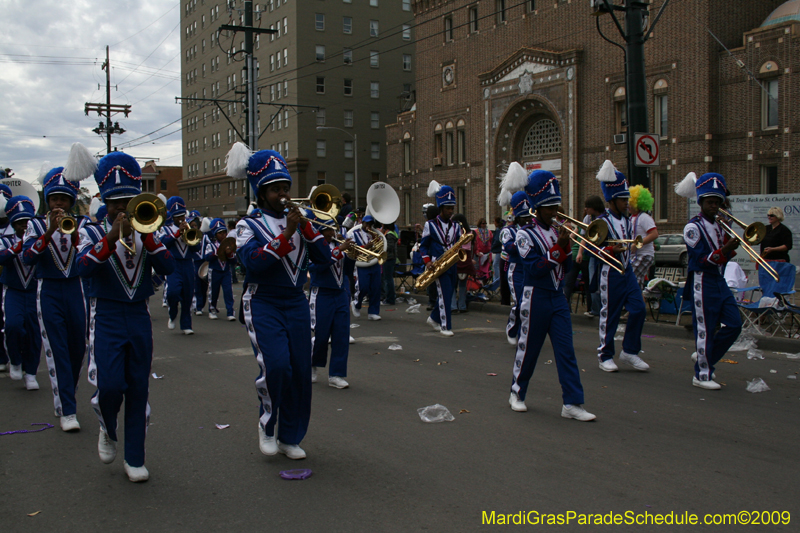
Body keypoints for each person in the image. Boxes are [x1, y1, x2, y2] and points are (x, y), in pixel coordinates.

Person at [71, 146, 176, 482]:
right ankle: (107, 425)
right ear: (105, 201)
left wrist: (148, 237)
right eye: (115, 202)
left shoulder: (149, 227)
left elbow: (169, 266)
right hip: (106, 314)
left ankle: (135, 457)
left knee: (138, 387)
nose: (121, 208)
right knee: (110, 385)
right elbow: (81, 267)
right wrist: (111, 238)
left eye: (127, 201)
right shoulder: (90, 231)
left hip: (139, 315)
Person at [226, 143, 331, 460]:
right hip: (263, 302)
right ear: (261, 193)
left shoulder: (301, 220)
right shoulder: (247, 225)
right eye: (275, 189)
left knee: (300, 371)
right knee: (277, 367)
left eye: (286, 187)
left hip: (296, 301)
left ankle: (290, 436)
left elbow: (324, 259)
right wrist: (287, 234)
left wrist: (308, 229)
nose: (283, 194)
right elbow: (253, 263)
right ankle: (267, 426)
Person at [508, 169, 595, 421]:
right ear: (536, 207)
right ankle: (517, 392)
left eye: (556, 206)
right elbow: (535, 269)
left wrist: (567, 246)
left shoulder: (557, 231)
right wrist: (559, 247)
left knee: (566, 351)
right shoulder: (525, 234)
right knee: (529, 350)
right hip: (535, 296)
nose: (554, 212)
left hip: (557, 296)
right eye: (548, 207)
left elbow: (565, 267)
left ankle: (572, 403)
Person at [22, 163, 90, 431]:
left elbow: (87, 255)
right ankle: (68, 409)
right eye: (54, 199)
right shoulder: (34, 224)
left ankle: (66, 395)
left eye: (63, 199)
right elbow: (28, 257)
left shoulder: (83, 224)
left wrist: (71, 234)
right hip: (49, 290)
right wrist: (49, 231)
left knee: (78, 348)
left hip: (76, 289)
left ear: (71, 201)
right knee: (58, 349)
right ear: (47, 201)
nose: (58, 203)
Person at [675, 172, 742, 390]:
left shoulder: (720, 224)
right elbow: (701, 260)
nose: (714, 206)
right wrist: (725, 249)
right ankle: (702, 375)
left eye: (717, 202)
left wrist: (729, 246)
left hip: (719, 280)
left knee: (735, 324)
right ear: (701, 202)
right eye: (710, 202)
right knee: (705, 329)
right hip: (702, 281)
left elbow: (724, 256)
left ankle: (706, 356)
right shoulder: (693, 227)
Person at [593, 161, 650, 373]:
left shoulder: (627, 220)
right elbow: (593, 250)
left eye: (627, 199)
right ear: (612, 200)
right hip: (610, 274)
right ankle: (605, 355)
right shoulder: (601, 221)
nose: (627, 203)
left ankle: (630, 351)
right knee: (610, 315)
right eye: (623, 199)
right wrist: (610, 251)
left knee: (639, 309)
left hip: (628, 272)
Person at [0, 196, 41, 391]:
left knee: (34, 333)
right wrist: (19, 246)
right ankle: (15, 360)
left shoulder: (38, 239)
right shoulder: (5, 240)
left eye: (27, 222)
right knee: (13, 325)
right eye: (20, 222)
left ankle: (31, 373)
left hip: (34, 292)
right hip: (13, 292)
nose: (24, 226)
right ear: (13, 223)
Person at [308, 216, 353, 389]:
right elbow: (315, 267)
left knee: (341, 335)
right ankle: (312, 364)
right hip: (322, 293)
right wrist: (339, 251)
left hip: (341, 293)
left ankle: (336, 374)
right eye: (327, 230)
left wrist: (354, 254)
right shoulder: (313, 247)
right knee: (321, 336)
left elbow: (347, 269)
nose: (331, 233)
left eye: (332, 229)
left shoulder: (338, 244)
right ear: (319, 232)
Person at [420, 180, 462, 337]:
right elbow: (423, 246)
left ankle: (434, 318)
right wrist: (427, 261)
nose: (451, 211)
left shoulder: (456, 226)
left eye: (452, 208)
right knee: (444, 295)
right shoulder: (430, 225)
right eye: (448, 208)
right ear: (440, 208)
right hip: (437, 264)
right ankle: (445, 326)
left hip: (452, 264)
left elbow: (458, 244)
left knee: (449, 293)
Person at [158, 197, 201, 334]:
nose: (181, 219)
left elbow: (197, 248)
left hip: (188, 264)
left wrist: (191, 237)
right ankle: (172, 313)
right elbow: (163, 243)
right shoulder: (166, 229)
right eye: (177, 217)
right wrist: (177, 234)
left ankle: (186, 325)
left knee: (188, 295)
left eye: (182, 216)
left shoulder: (190, 228)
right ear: (172, 216)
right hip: (173, 264)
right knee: (173, 292)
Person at [563, 196, 604, 317]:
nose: (585, 209)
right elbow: (583, 237)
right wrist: (580, 252)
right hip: (588, 254)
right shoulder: (587, 218)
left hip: (599, 253)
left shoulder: (604, 218)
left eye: (587, 207)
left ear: (594, 207)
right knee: (589, 283)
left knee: (594, 283)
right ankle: (593, 309)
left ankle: (597, 309)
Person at [348, 215, 383, 320]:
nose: (368, 226)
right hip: (361, 263)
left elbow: (381, 246)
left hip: (374, 262)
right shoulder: (354, 233)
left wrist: (376, 240)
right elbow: (352, 249)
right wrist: (365, 247)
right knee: (363, 286)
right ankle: (356, 304)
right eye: (367, 223)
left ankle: (373, 312)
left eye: (370, 224)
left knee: (376, 287)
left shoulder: (375, 234)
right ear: (362, 222)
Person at [203, 218, 236, 320]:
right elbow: (207, 257)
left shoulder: (230, 246)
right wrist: (217, 252)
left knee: (228, 292)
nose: (223, 235)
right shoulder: (211, 245)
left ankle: (230, 312)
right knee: (213, 292)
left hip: (226, 272)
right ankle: (212, 309)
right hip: (214, 271)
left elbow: (234, 261)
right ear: (215, 234)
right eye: (220, 233)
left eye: (224, 233)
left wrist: (229, 254)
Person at [627, 185, 659, 289]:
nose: (628, 206)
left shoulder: (644, 218)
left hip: (644, 255)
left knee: (630, 277)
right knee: (636, 283)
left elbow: (654, 234)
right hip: (635, 255)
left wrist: (637, 244)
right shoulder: (630, 218)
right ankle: (639, 298)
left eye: (630, 203)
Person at [0, 183, 14, 374]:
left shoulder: (17, 224)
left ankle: (15, 357)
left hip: (11, 278)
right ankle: (2, 357)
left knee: (10, 322)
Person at [451, 213, 475, 314]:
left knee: (452, 285)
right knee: (463, 285)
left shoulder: (454, 231)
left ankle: (453, 306)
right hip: (466, 259)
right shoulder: (470, 232)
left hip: (456, 258)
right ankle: (462, 306)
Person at [189, 213, 209, 316]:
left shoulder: (205, 236)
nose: (194, 227)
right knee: (196, 285)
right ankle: (198, 306)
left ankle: (201, 304)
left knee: (204, 285)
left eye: (195, 225)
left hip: (204, 262)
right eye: (192, 226)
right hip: (194, 262)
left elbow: (210, 245)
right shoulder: (189, 236)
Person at [381, 221, 398, 305]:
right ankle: (389, 298)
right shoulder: (390, 233)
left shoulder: (389, 234)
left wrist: (381, 246)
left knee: (388, 279)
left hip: (389, 258)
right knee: (388, 279)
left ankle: (390, 299)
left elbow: (389, 247)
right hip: (389, 258)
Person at [491, 216, 505, 285]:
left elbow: (497, 240)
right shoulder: (501, 229)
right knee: (497, 264)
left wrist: (492, 246)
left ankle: (497, 280)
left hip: (499, 250)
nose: (494, 223)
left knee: (495, 264)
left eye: (494, 221)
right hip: (500, 250)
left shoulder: (498, 230)